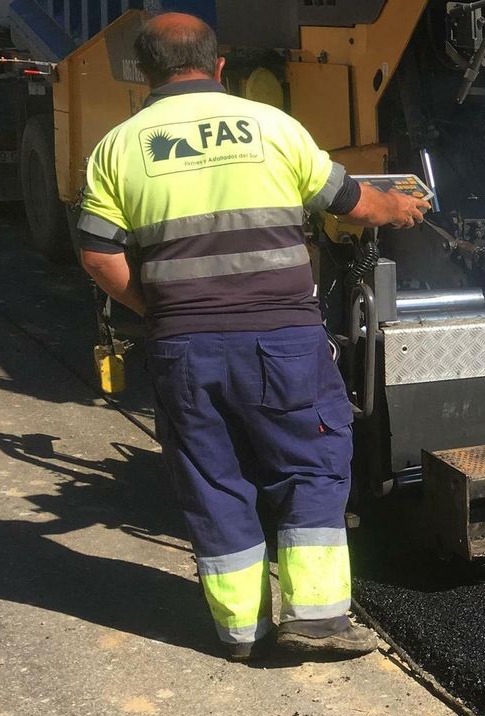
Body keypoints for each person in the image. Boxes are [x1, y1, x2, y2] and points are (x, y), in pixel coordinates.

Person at [78, 13, 428, 661]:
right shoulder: (273, 127)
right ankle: (317, 621)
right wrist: (400, 207)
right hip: (281, 340)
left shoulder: (118, 147)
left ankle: (241, 633)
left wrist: (160, 310)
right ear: (219, 68)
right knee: (311, 463)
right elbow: (351, 203)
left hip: (183, 347)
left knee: (212, 480)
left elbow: (99, 258)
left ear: (143, 74)